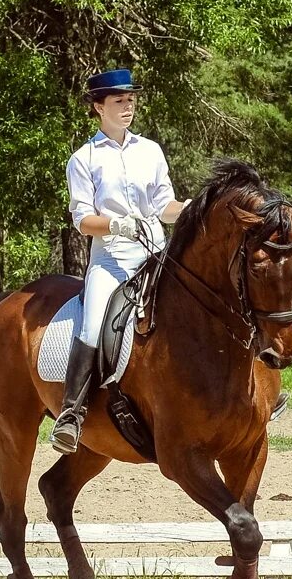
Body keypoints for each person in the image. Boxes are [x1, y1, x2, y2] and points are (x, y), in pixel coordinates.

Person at [49, 68, 189, 454]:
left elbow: (164, 206)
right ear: (98, 106)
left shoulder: (151, 151)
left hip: (155, 255)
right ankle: (72, 414)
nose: (128, 107)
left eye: (131, 100)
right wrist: (116, 224)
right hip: (110, 259)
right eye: (119, 101)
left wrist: (191, 209)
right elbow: (82, 220)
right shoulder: (84, 158)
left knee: (199, 304)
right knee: (93, 324)